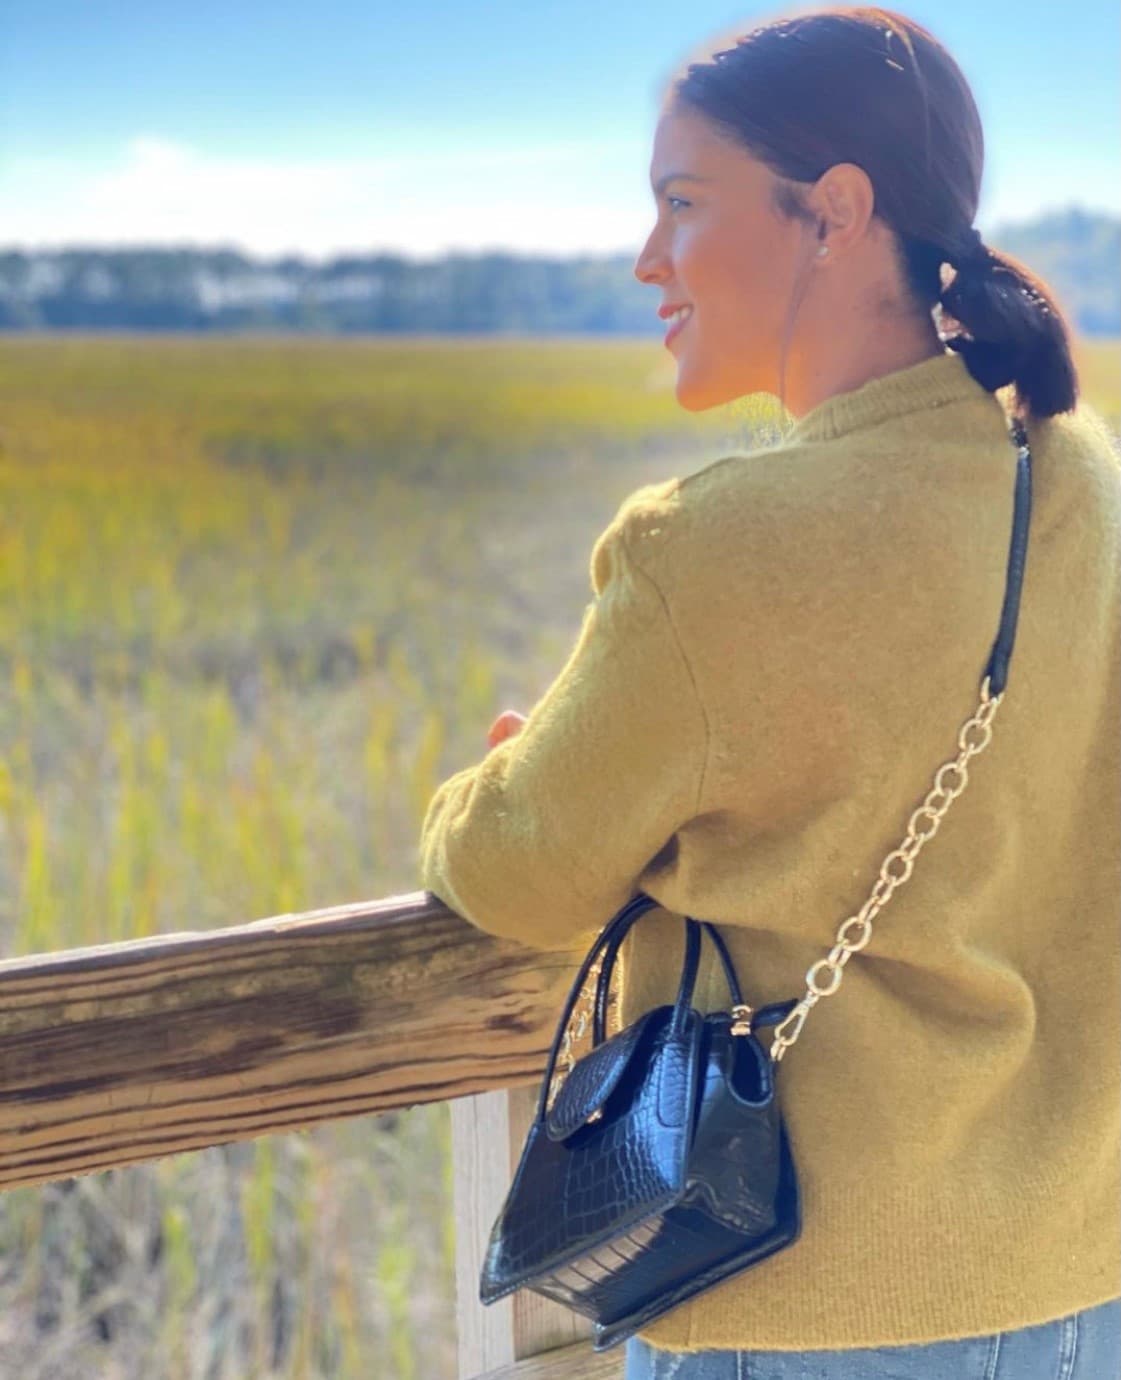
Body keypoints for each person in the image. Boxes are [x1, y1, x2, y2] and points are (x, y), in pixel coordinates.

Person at [418, 5, 1121, 1376]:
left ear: (833, 212)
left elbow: (511, 874)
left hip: (804, 1310)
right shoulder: (1087, 481)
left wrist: (502, 778)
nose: (645, 260)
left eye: (681, 203)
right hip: (1081, 1293)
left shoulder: (716, 545)